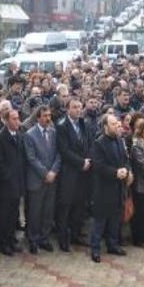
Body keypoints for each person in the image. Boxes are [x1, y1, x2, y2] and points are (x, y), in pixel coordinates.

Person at [90, 114, 132, 263]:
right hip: (104, 188)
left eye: (117, 124)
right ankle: (95, 249)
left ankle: (112, 245)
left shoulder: (120, 141)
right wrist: (115, 173)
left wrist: (126, 170)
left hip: (118, 187)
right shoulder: (99, 143)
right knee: (100, 220)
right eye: (113, 124)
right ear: (106, 127)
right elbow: (98, 166)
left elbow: (125, 159)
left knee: (115, 218)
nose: (117, 126)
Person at [55, 98, 91, 252]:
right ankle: (63, 239)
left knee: (79, 205)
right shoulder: (62, 126)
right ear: (67, 109)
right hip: (69, 172)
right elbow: (64, 150)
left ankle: (75, 235)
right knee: (65, 206)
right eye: (74, 107)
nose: (78, 110)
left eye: (79, 107)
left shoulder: (84, 123)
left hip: (84, 172)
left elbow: (89, 143)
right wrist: (81, 162)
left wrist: (88, 160)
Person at [23, 105, 60, 253]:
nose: (48, 118)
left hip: (52, 180)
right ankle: (33, 239)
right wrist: (46, 173)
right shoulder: (30, 134)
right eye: (45, 116)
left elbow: (58, 154)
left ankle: (44, 238)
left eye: (49, 115)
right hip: (37, 180)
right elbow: (31, 158)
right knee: (35, 212)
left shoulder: (53, 132)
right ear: (38, 117)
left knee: (48, 212)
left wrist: (53, 172)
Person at [0, 109, 25, 255]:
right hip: (5, 186)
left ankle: (11, 238)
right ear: (6, 120)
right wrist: (9, 178)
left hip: (16, 183)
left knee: (13, 214)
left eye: (18, 118)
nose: (17, 121)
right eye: (14, 119)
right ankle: (2, 242)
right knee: (3, 215)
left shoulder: (19, 135)